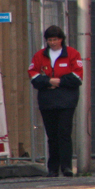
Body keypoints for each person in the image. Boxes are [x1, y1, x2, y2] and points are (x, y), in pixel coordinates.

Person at [28, 25, 83, 177]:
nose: (52, 43)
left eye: (55, 39)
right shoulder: (40, 55)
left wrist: (52, 82)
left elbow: (77, 77)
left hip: (67, 100)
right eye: (50, 40)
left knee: (64, 133)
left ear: (61, 40)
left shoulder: (72, 54)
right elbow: (33, 75)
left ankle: (66, 167)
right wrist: (50, 81)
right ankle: (53, 168)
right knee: (52, 135)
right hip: (47, 101)